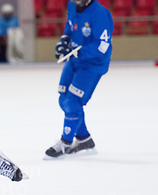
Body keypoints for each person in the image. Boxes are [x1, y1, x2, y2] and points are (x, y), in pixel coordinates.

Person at [45, 0, 113, 158]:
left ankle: (65, 142)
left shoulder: (100, 13)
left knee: (73, 101)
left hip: (93, 64)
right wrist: (64, 39)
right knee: (63, 99)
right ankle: (84, 139)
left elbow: (103, 44)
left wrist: (78, 51)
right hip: (75, 60)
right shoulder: (72, 5)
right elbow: (71, 25)